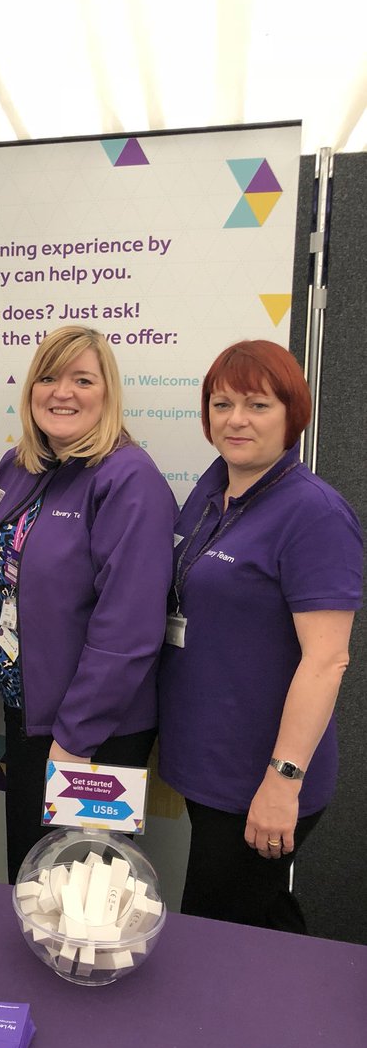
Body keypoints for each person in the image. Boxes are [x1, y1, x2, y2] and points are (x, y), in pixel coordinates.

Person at [158, 339, 362, 932]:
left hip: (260, 775)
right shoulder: (211, 489)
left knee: (214, 933)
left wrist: (282, 782)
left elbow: (328, 660)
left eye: (257, 405)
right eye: (222, 404)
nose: (236, 420)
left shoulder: (315, 514)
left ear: (292, 414)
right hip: (205, 761)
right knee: (259, 916)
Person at [0, 325, 176, 882]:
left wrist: (73, 740)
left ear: (107, 392)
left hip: (96, 735)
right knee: (34, 880)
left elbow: (129, 629)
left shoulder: (129, 479)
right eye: (48, 377)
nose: (61, 392)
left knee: (86, 895)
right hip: (29, 717)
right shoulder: (17, 468)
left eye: (81, 379)